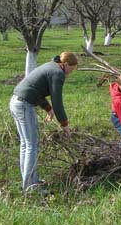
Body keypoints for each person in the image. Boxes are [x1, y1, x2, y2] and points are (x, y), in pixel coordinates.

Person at [9, 52, 78, 191]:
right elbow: (57, 101)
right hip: (24, 105)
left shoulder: (50, 66)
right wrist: (64, 124)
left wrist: (47, 108)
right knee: (31, 145)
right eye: (72, 68)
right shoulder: (58, 73)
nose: (72, 72)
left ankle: (30, 181)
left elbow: (36, 89)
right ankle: (30, 186)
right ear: (65, 65)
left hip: (16, 102)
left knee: (26, 144)